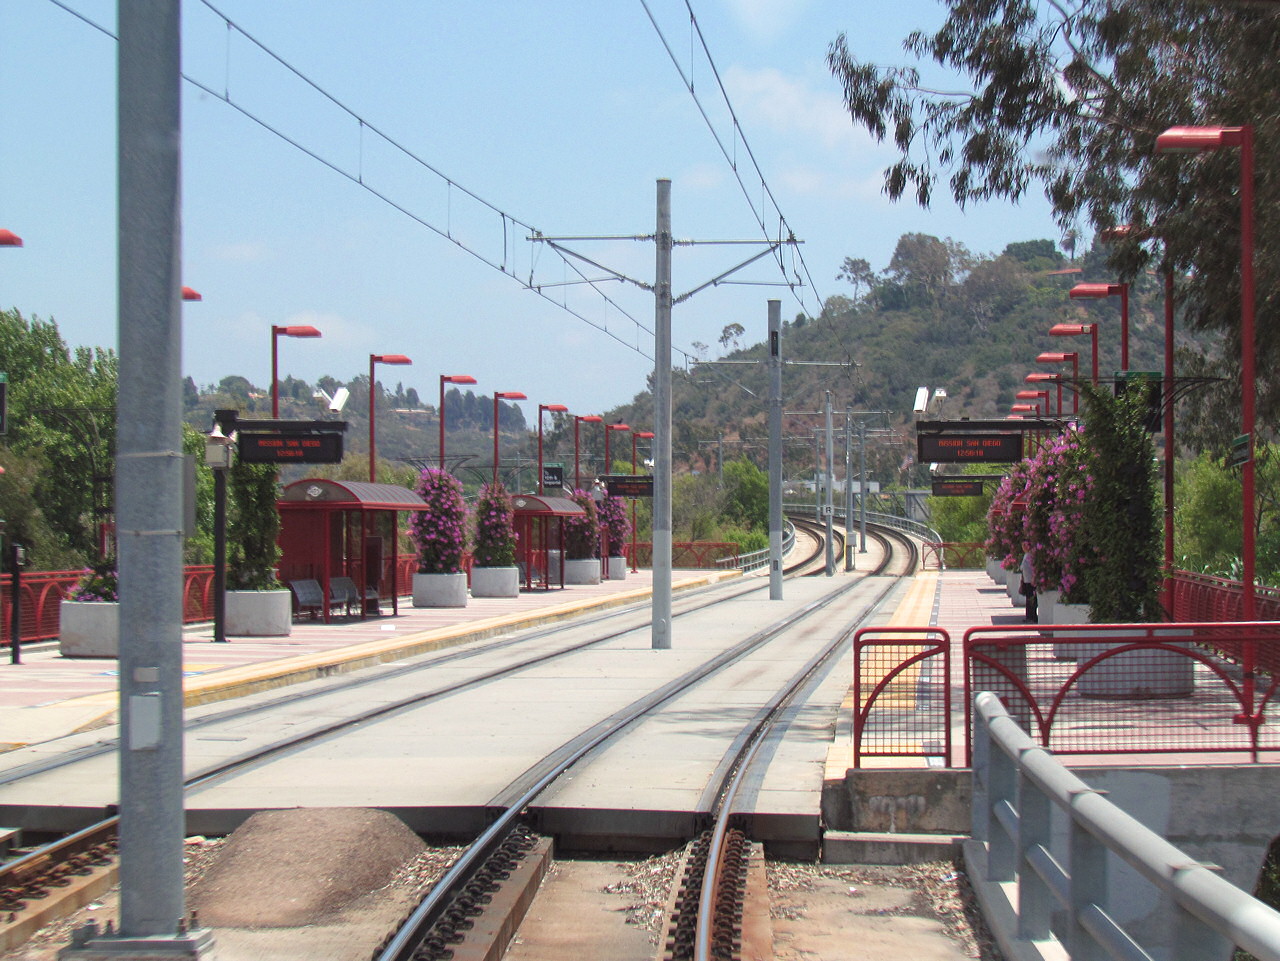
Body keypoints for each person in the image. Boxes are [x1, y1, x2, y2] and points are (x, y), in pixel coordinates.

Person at [1020, 548, 1038, 624]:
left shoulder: (1029, 555)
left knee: (1031, 599)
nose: (1024, 547)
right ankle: (1029, 616)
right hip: (1027, 580)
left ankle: (1032, 616)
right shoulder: (1026, 555)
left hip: (1031, 580)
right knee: (1029, 599)